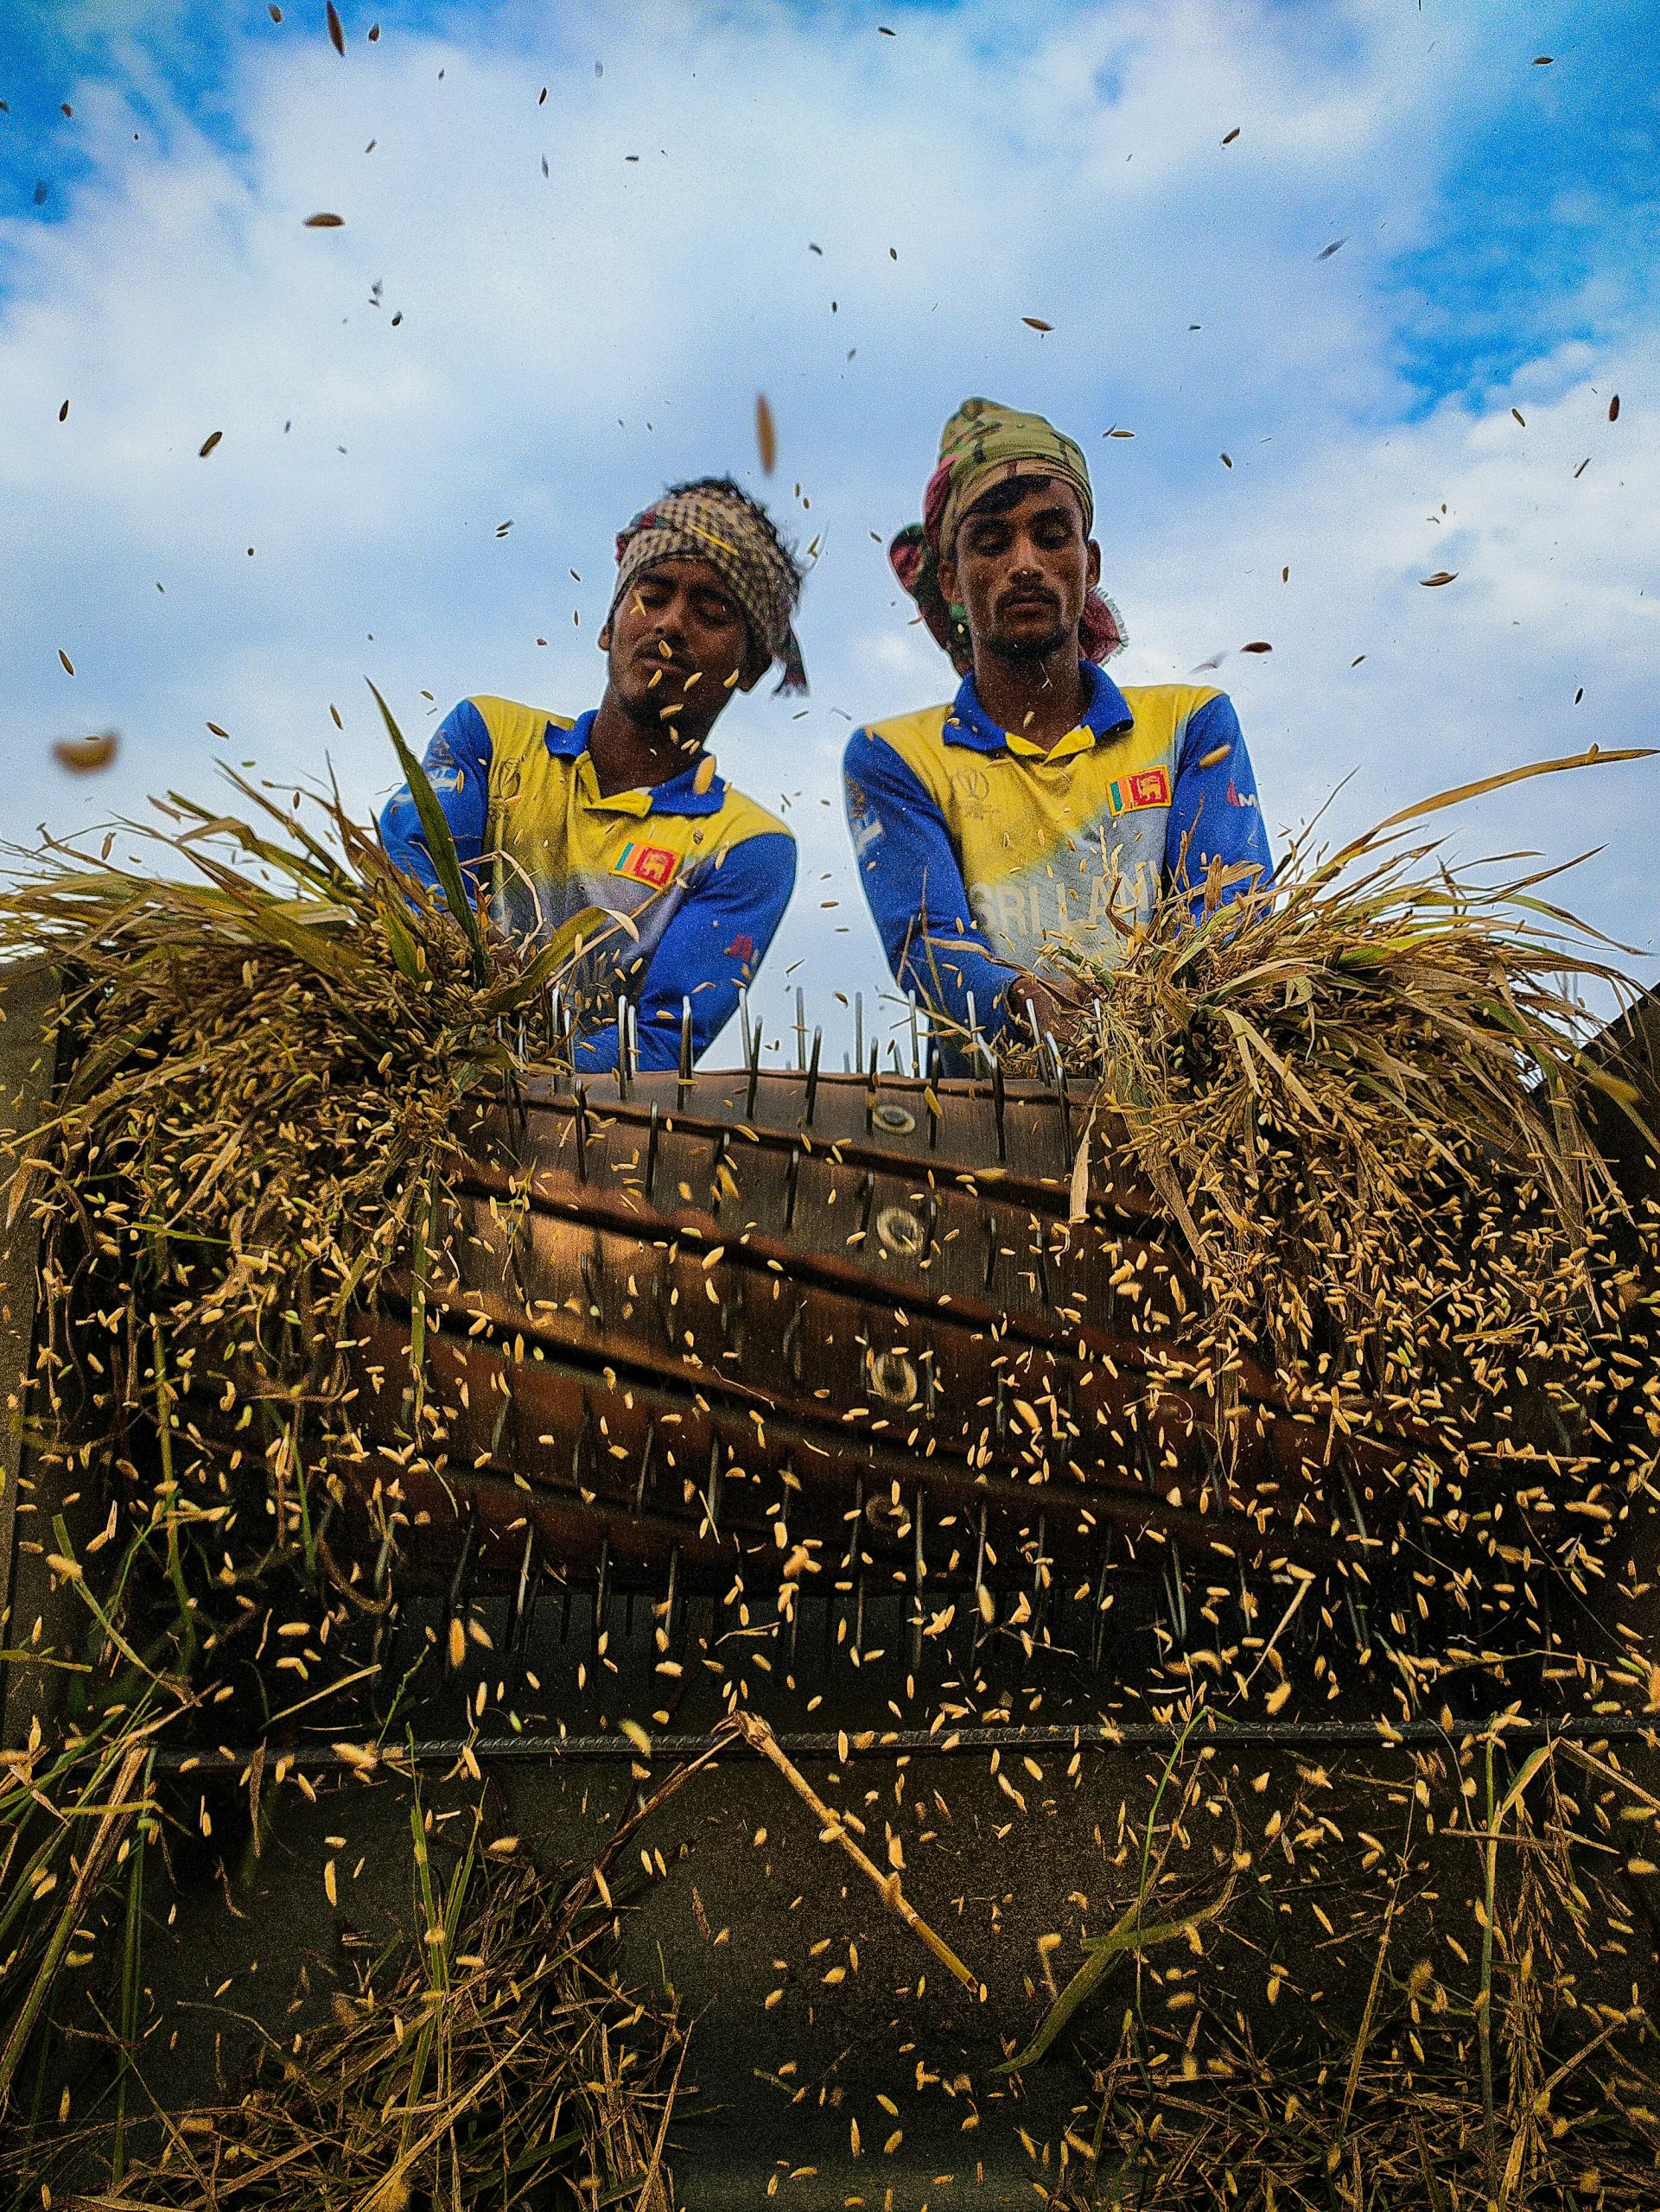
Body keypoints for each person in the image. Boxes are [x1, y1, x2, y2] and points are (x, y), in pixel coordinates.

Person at [843, 397, 1271, 1062]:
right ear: (951, 580)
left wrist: (1137, 1021)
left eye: (1050, 536)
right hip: (985, 1122)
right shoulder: (897, 756)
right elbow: (927, 943)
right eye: (990, 542)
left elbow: (1226, 916)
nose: (1024, 563)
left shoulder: (1188, 723)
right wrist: (1017, 1001)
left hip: (1179, 1095)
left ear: (1089, 564)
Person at [379, 477, 805, 1074]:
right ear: (608, 625)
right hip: (403, 1066)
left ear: (751, 667)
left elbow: (660, 1045)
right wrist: (459, 956)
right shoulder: (489, 737)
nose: (671, 625)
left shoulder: (746, 848)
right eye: (652, 597)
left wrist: (504, 1069)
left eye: (710, 613)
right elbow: (412, 873)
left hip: (579, 1145)